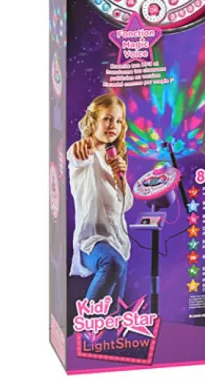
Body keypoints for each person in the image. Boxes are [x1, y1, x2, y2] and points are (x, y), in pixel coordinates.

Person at [67, 94, 134, 308]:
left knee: (114, 310)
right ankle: (87, 319)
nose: (113, 125)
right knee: (112, 263)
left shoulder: (114, 159)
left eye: (118, 121)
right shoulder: (84, 152)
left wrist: (121, 179)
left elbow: (127, 204)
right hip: (92, 243)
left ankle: (107, 326)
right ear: (94, 120)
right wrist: (81, 149)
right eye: (107, 119)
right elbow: (76, 157)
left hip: (118, 243)